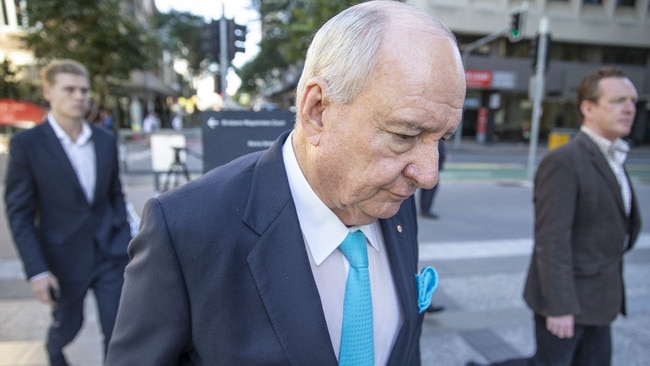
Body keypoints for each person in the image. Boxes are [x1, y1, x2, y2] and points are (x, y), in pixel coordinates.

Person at [105, 1, 466, 364]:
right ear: (317, 111)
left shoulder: (396, 207)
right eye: (404, 134)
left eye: (442, 138)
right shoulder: (185, 232)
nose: (428, 174)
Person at [467, 67, 642, 366]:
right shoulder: (564, 161)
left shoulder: (614, 156)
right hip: (567, 301)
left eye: (633, 101)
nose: (629, 108)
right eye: (618, 101)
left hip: (601, 299)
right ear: (588, 108)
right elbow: (551, 239)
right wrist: (559, 306)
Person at [4, 59, 132, 365]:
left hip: (110, 255)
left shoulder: (104, 140)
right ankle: (54, 354)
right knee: (66, 328)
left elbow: (115, 193)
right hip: (62, 259)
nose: (79, 97)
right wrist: (37, 270)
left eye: (83, 90)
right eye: (70, 89)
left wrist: (124, 238)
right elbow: (19, 213)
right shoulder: (27, 145)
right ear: (48, 91)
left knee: (119, 332)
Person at [419, 141, 447, 219]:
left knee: (429, 189)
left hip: (433, 168)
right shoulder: (437, 140)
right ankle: (425, 209)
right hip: (432, 169)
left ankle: (425, 209)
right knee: (429, 189)